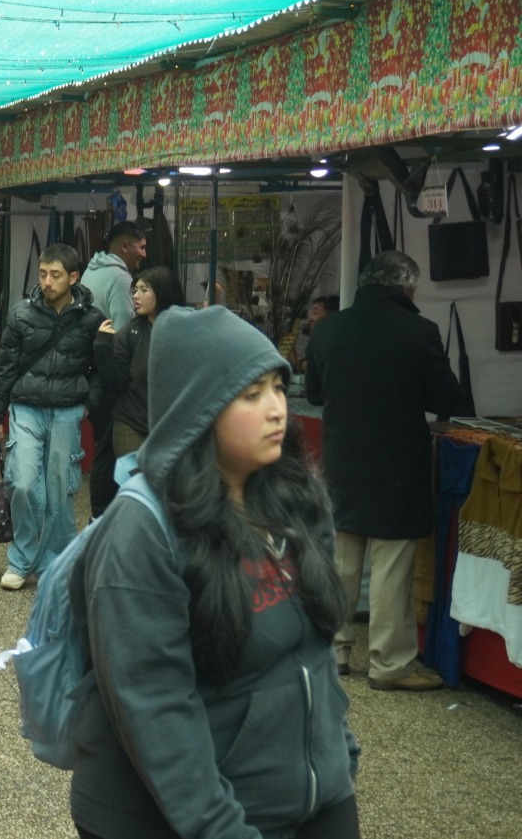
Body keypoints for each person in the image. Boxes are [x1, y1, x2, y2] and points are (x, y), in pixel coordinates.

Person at [70, 305, 358, 839]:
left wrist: (338, 755)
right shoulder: (143, 532)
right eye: (251, 395)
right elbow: (155, 706)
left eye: (278, 386)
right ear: (196, 409)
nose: (277, 408)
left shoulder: (295, 497)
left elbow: (313, 653)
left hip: (312, 801)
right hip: (178, 815)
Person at [306, 251, 465, 690]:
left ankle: (333, 652)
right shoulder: (419, 332)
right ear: (405, 288)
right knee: (392, 565)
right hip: (397, 464)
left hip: (341, 459)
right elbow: (448, 399)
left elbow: (314, 395)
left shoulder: (329, 329)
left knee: (340, 557)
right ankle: (389, 663)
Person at [0, 243, 105, 590]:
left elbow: (99, 369)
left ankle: (56, 563)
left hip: (69, 409)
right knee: (23, 483)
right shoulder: (21, 314)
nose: (47, 282)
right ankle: (21, 560)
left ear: (73, 277)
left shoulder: (91, 319)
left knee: (59, 489)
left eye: (55, 275)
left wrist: (90, 402)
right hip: (25, 407)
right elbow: (5, 366)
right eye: (43, 274)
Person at [84, 220, 148, 517]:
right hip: (109, 375)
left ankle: (100, 515)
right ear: (126, 246)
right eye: (141, 247)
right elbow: (124, 332)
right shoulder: (122, 280)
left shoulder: (92, 269)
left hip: (92, 371)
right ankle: (102, 516)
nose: (143, 254)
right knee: (109, 452)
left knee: (102, 449)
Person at [96, 266, 184, 458]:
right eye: (135, 290)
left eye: (144, 290)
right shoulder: (130, 332)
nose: (136, 296)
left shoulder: (185, 330)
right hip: (132, 422)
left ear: (163, 292)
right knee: (134, 485)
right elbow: (115, 383)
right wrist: (102, 346)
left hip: (174, 424)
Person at [288, 294, 339, 372]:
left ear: (331, 315)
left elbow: (319, 370)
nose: (310, 319)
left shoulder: (336, 341)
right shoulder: (309, 336)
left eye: (315, 313)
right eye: (310, 313)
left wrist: (295, 358)